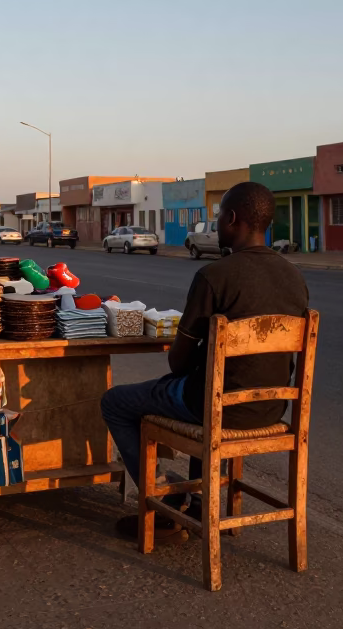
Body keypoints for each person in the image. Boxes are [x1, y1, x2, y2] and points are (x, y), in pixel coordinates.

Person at [100, 182, 309, 543]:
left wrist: (192, 356)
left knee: (116, 402)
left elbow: (178, 364)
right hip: (272, 408)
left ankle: (164, 499)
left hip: (215, 407)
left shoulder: (215, 276)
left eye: (218, 218)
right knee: (208, 382)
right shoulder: (295, 277)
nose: (216, 226)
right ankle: (198, 503)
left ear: (232, 219)